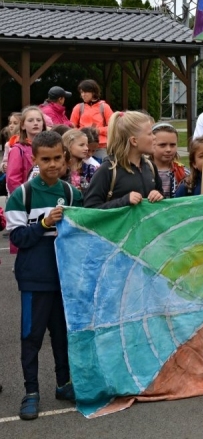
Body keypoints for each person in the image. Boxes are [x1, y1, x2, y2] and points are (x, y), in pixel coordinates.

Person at [6, 131, 83, 420]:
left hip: (65, 277)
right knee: (32, 336)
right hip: (34, 279)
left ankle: (63, 384)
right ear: (35, 160)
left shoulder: (73, 193)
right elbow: (18, 237)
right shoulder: (21, 194)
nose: (52, 165)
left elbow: (86, 229)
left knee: (62, 335)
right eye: (45, 159)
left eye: (57, 158)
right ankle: (31, 392)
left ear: (65, 157)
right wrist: (43, 222)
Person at [84, 111, 164, 209]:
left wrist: (158, 194)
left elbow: (161, 193)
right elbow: (90, 208)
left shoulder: (150, 166)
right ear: (134, 141)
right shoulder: (107, 170)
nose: (154, 137)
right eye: (150, 134)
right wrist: (124, 201)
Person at [6, 107, 47, 195]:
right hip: (27, 198)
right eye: (30, 120)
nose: (35, 123)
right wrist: (24, 197)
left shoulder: (50, 146)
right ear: (23, 126)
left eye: (39, 120)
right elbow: (12, 180)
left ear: (43, 124)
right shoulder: (17, 149)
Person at [69, 79, 113, 160]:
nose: (83, 95)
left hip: (100, 147)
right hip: (82, 146)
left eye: (85, 92)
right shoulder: (78, 107)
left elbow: (113, 127)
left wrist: (98, 130)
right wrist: (82, 132)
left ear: (93, 92)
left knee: (106, 167)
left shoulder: (104, 107)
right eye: (81, 92)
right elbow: (71, 127)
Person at [151, 122, 187, 199]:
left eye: (172, 145)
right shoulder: (142, 171)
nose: (168, 149)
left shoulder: (183, 172)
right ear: (151, 144)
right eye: (162, 145)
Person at [61, 129, 96, 193]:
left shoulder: (90, 169)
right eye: (81, 145)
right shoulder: (59, 169)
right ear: (68, 145)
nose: (86, 148)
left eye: (86, 145)